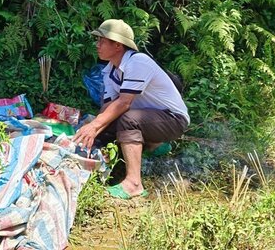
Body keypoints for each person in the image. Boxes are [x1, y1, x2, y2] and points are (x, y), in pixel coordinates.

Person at [73, 19, 189, 199]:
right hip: (151, 119)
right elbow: (108, 106)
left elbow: (123, 103)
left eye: (101, 41)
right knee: (106, 126)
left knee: (128, 121)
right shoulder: (110, 70)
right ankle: (153, 145)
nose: (97, 45)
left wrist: (94, 126)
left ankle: (134, 184)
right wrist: (92, 129)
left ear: (117, 45)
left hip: (173, 119)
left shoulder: (138, 62)